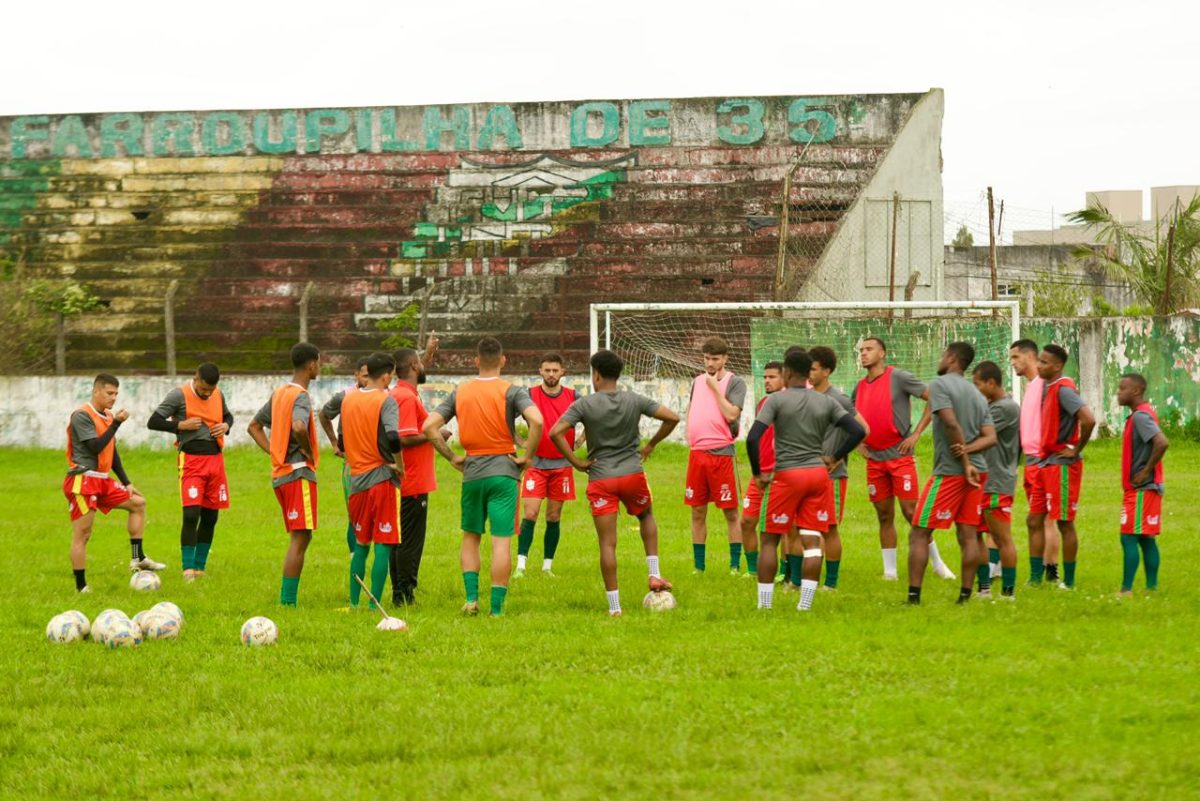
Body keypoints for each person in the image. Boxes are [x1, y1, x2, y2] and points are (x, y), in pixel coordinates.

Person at [548, 349, 680, 617]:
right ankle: (654, 574)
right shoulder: (633, 399)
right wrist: (651, 445)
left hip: (601, 478)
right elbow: (673, 418)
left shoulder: (585, 404)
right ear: (617, 374)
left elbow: (555, 432)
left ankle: (615, 609)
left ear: (596, 374)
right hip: (632, 475)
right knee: (646, 516)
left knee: (607, 543)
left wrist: (576, 461)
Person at [424, 337, 544, 617]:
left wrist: (452, 456)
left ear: (476, 361)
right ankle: (498, 610)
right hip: (504, 472)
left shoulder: (460, 392)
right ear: (503, 360)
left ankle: (470, 598)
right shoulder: (513, 391)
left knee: (471, 536)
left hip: (473, 473)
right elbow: (537, 420)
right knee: (501, 541)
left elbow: (430, 426)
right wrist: (527, 457)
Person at [746, 348, 867, 613]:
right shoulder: (825, 401)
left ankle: (764, 606)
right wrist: (835, 456)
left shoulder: (777, 401)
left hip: (788, 475)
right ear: (807, 374)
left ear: (787, 373)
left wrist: (758, 474)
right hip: (818, 475)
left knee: (769, 540)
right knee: (812, 539)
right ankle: (805, 605)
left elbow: (753, 438)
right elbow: (858, 430)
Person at [852, 337, 955, 581]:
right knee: (884, 515)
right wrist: (857, 443)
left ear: (882, 353)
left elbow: (933, 397)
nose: (863, 354)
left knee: (912, 512)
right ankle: (890, 572)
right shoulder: (859, 386)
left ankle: (938, 564)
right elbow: (847, 414)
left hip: (900, 457)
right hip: (874, 461)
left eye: (869, 349)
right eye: (861, 350)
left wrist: (917, 433)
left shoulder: (898, 377)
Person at [906, 342, 996, 605]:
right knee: (968, 535)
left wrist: (964, 459)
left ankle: (913, 598)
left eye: (943, 353)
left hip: (951, 472)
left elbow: (949, 421)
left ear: (953, 358)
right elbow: (990, 437)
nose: (940, 358)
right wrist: (970, 454)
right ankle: (965, 597)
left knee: (919, 532)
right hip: (979, 472)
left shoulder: (940, 384)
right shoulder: (976, 393)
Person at [65, 374, 161, 592]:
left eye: (116, 394)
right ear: (96, 391)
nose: (114, 398)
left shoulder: (107, 415)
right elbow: (95, 447)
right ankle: (81, 587)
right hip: (82, 480)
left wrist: (126, 482)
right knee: (84, 534)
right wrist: (116, 423)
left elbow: (110, 449)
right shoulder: (81, 415)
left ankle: (137, 558)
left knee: (138, 503)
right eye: (110, 393)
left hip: (102, 480)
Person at [246, 343, 322, 607]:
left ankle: (287, 599)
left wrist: (274, 451)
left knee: (300, 536)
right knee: (301, 537)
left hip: (280, 474)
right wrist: (308, 451)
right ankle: (287, 601)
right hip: (297, 473)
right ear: (312, 364)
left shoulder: (280, 393)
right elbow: (299, 426)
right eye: (318, 363)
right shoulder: (300, 396)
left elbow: (254, 426)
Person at [147, 362, 232, 581]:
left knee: (211, 517)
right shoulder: (178, 395)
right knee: (191, 513)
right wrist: (180, 426)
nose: (206, 394)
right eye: (203, 389)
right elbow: (153, 421)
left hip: (215, 461)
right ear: (195, 379)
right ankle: (187, 569)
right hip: (192, 462)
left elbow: (228, 416)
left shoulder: (218, 394)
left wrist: (226, 426)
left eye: (210, 390)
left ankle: (200, 568)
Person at [341, 352, 404, 609]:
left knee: (360, 545)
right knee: (383, 545)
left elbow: (343, 440)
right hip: (381, 479)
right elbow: (392, 437)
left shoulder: (349, 400)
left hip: (356, 481)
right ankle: (373, 605)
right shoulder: (385, 400)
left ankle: (354, 603)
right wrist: (399, 465)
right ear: (387, 375)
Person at [388, 344, 447, 606]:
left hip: (408, 478)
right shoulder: (406, 397)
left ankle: (400, 591)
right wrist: (435, 435)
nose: (423, 366)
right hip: (411, 479)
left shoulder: (403, 392)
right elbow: (404, 437)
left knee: (400, 540)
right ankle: (404, 594)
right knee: (409, 541)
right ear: (413, 366)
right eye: (420, 363)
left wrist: (427, 356)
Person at [516, 353, 584, 578]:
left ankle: (547, 567)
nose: (551, 374)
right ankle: (521, 565)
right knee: (531, 512)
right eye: (547, 370)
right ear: (540, 371)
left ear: (563, 372)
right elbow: (507, 416)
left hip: (562, 465)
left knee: (553, 517)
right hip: (536, 464)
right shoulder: (529, 395)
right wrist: (519, 440)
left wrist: (579, 441)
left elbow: (591, 419)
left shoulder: (574, 396)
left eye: (555, 370)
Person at [808, 346, 869, 591]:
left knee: (829, 528)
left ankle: (830, 584)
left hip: (832, 476)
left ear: (826, 371)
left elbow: (863, 429)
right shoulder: (808, 396)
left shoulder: (839, 398)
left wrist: (837, 456)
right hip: (809, 473)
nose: (808, 373)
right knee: (809, 528)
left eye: (812, 369)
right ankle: (807, 578)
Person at [684, 336, 747, 575]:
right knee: (697, 510)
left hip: (721, 454)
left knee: (730, 511)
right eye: (707, 358)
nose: (710, 363)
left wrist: (714, 388)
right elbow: (693, 408)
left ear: (725, 359)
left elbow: (732, 415)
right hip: (697, 454)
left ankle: (734, 565)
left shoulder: (735, 382)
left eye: (715, 359)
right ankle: (699, 567)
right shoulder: (697, 381)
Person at [1036, 344, 1096, 590]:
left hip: (1062, 465)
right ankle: (1036, 576)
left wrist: (1075, 449)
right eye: (1039, 361)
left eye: (1044, 362)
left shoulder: (1063, 390)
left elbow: (1089, 419)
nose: (1039, 365)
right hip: (1048, 462)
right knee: (1035, 518)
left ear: (1057, 366)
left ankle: (1068, 582)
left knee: (1064, 522)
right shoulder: (1048, 388)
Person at [1009, 338, 1060, 584]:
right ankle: (1043, 572)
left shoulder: (1044, 385)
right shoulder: (1031, 386)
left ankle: (1049, 571)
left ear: (1030, 356)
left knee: (1044, 518)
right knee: (1038, 519)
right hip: (1031, 461)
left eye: (1015, 358)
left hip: (1042, 461)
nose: (1013, 363)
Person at [969, 360, 1021, 599]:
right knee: (975, 534)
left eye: (977, 384)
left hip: (998, 482)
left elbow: (976, 431)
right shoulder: (992, 405)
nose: (975, 389)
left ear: (991, 383)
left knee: (1001, 537)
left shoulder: (1005, 408)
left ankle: (1008, 593)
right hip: (981, 480)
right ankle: (984, 588)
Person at [1116, 373, 1169, 596]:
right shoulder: (1141, 414)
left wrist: (1146, 471)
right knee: (1146, 538)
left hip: (1142, 489)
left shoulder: (1140, 417)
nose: (1118, 392)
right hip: (1149, 488)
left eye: (1122, 388)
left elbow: (1162, 442)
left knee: (1128, 536)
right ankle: (1152, 588)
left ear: (1136, 391)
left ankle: (1126, 590)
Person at [319, 356, 372, 553]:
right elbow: (324, 414)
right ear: (356, 375)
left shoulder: (383, 395)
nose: (368, 380)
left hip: (378, 464)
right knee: (355, 513)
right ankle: (354, 556)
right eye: (365, 376)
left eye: (371, 376)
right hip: (352, 464)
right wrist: (334, 442)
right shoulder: (345, 396)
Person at [739, 361, 784, 581]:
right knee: (747, 521)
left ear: (785, 378)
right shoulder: (763, 403)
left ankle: (786, 571)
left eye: (772, 377)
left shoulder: (788, 404)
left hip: (781, 475)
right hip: (759, 474)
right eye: (765, 377)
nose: (767, 380)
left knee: (784, 526)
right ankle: (753, 569)